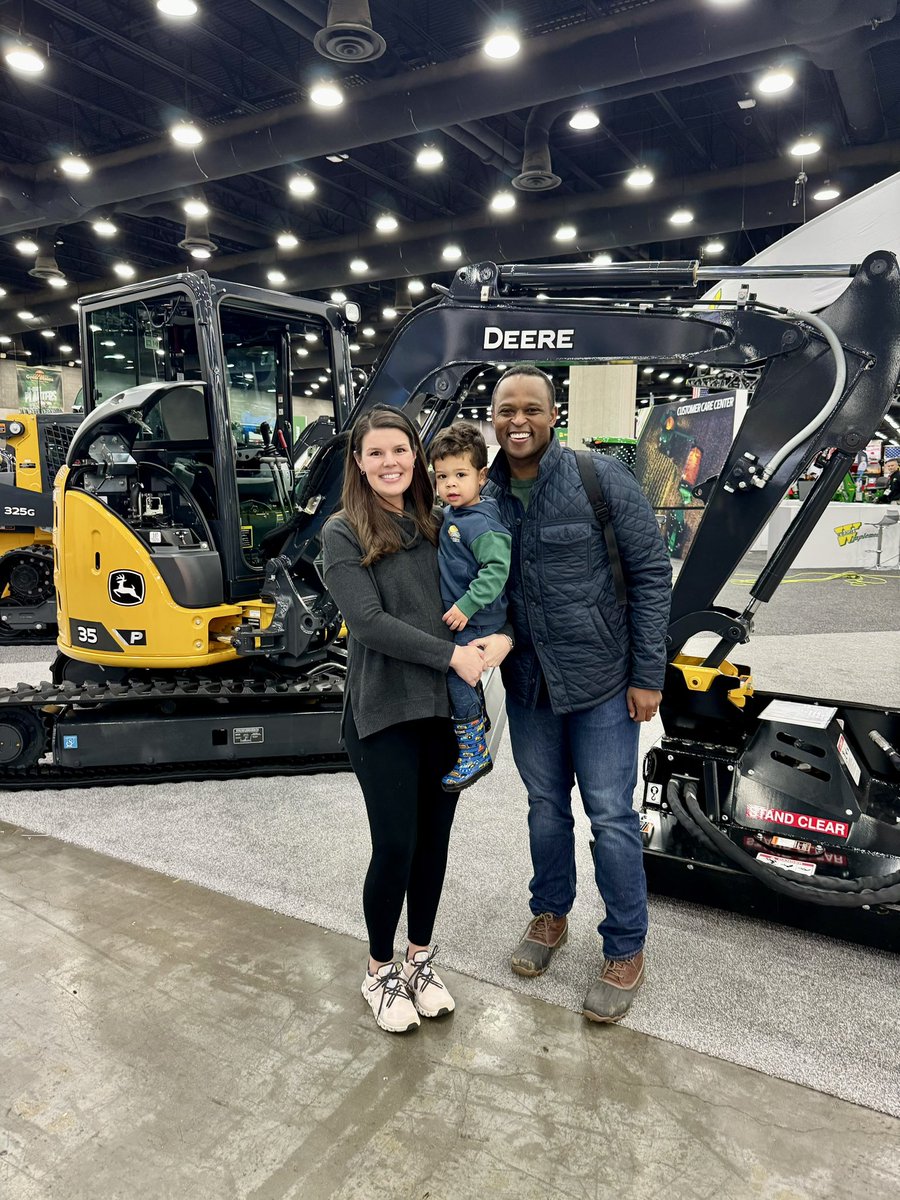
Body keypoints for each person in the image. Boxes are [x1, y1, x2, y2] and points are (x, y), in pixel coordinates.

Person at [482, 364, 672, 1024]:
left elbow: (650, 575)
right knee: (543, 807)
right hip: (530, 685)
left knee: (610, 816)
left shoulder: (598, 478)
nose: (518, 420)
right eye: (507, 409)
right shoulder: (484, 495)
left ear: (552, 415)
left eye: (531, 408)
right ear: (493, 416)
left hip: (602, 682)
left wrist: (650, 676)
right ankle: (550, 914)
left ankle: (625, 947)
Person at [320, 405, 512, 1034]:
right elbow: (369, 624)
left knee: (433, 847)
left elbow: (488, 587)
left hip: (442, 710)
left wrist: (502, 637)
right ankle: (380, 972)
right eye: (375, 452)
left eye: (399, 449)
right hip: (383, 713)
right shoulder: (343, 532)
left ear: (417, 456)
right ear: (359, 462)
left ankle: (421, 960)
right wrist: (454, 656)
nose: (390, 462)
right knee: (396, 846)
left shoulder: (442, 522)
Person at [429, 422, 512, 791]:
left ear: (481, 477)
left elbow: (497, 571)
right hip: (467, 615)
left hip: (478, 618)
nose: (450, 484)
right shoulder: (453, 513)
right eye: (442, 476)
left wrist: (466, 605)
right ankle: (478, 720)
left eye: (460, 475)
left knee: (457, 676)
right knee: (462, 675)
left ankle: (474, 750)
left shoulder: (481, 523)